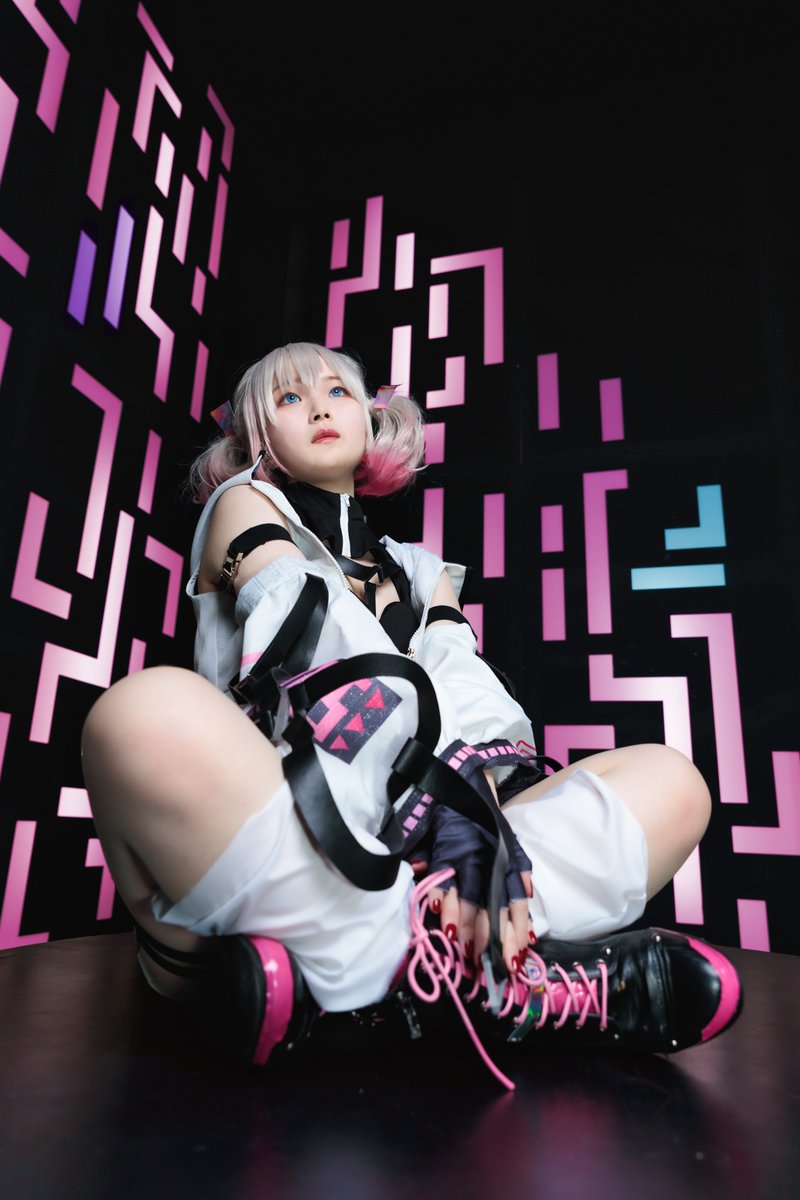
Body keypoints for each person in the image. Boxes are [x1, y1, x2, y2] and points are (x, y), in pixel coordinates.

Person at [82, 342, 741, 1087]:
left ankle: (370, 983)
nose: (320, 407)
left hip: (393, 869)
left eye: (337, 391)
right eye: (290, 399)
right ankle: (501, 979)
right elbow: (316, 648)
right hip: (286, 821)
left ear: (372, 418)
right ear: (257, 434)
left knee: (674, 784)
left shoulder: (422, 570)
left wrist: (476, 816)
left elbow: (468, 689)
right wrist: (440, 799)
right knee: (140, 715)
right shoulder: (245, 504)